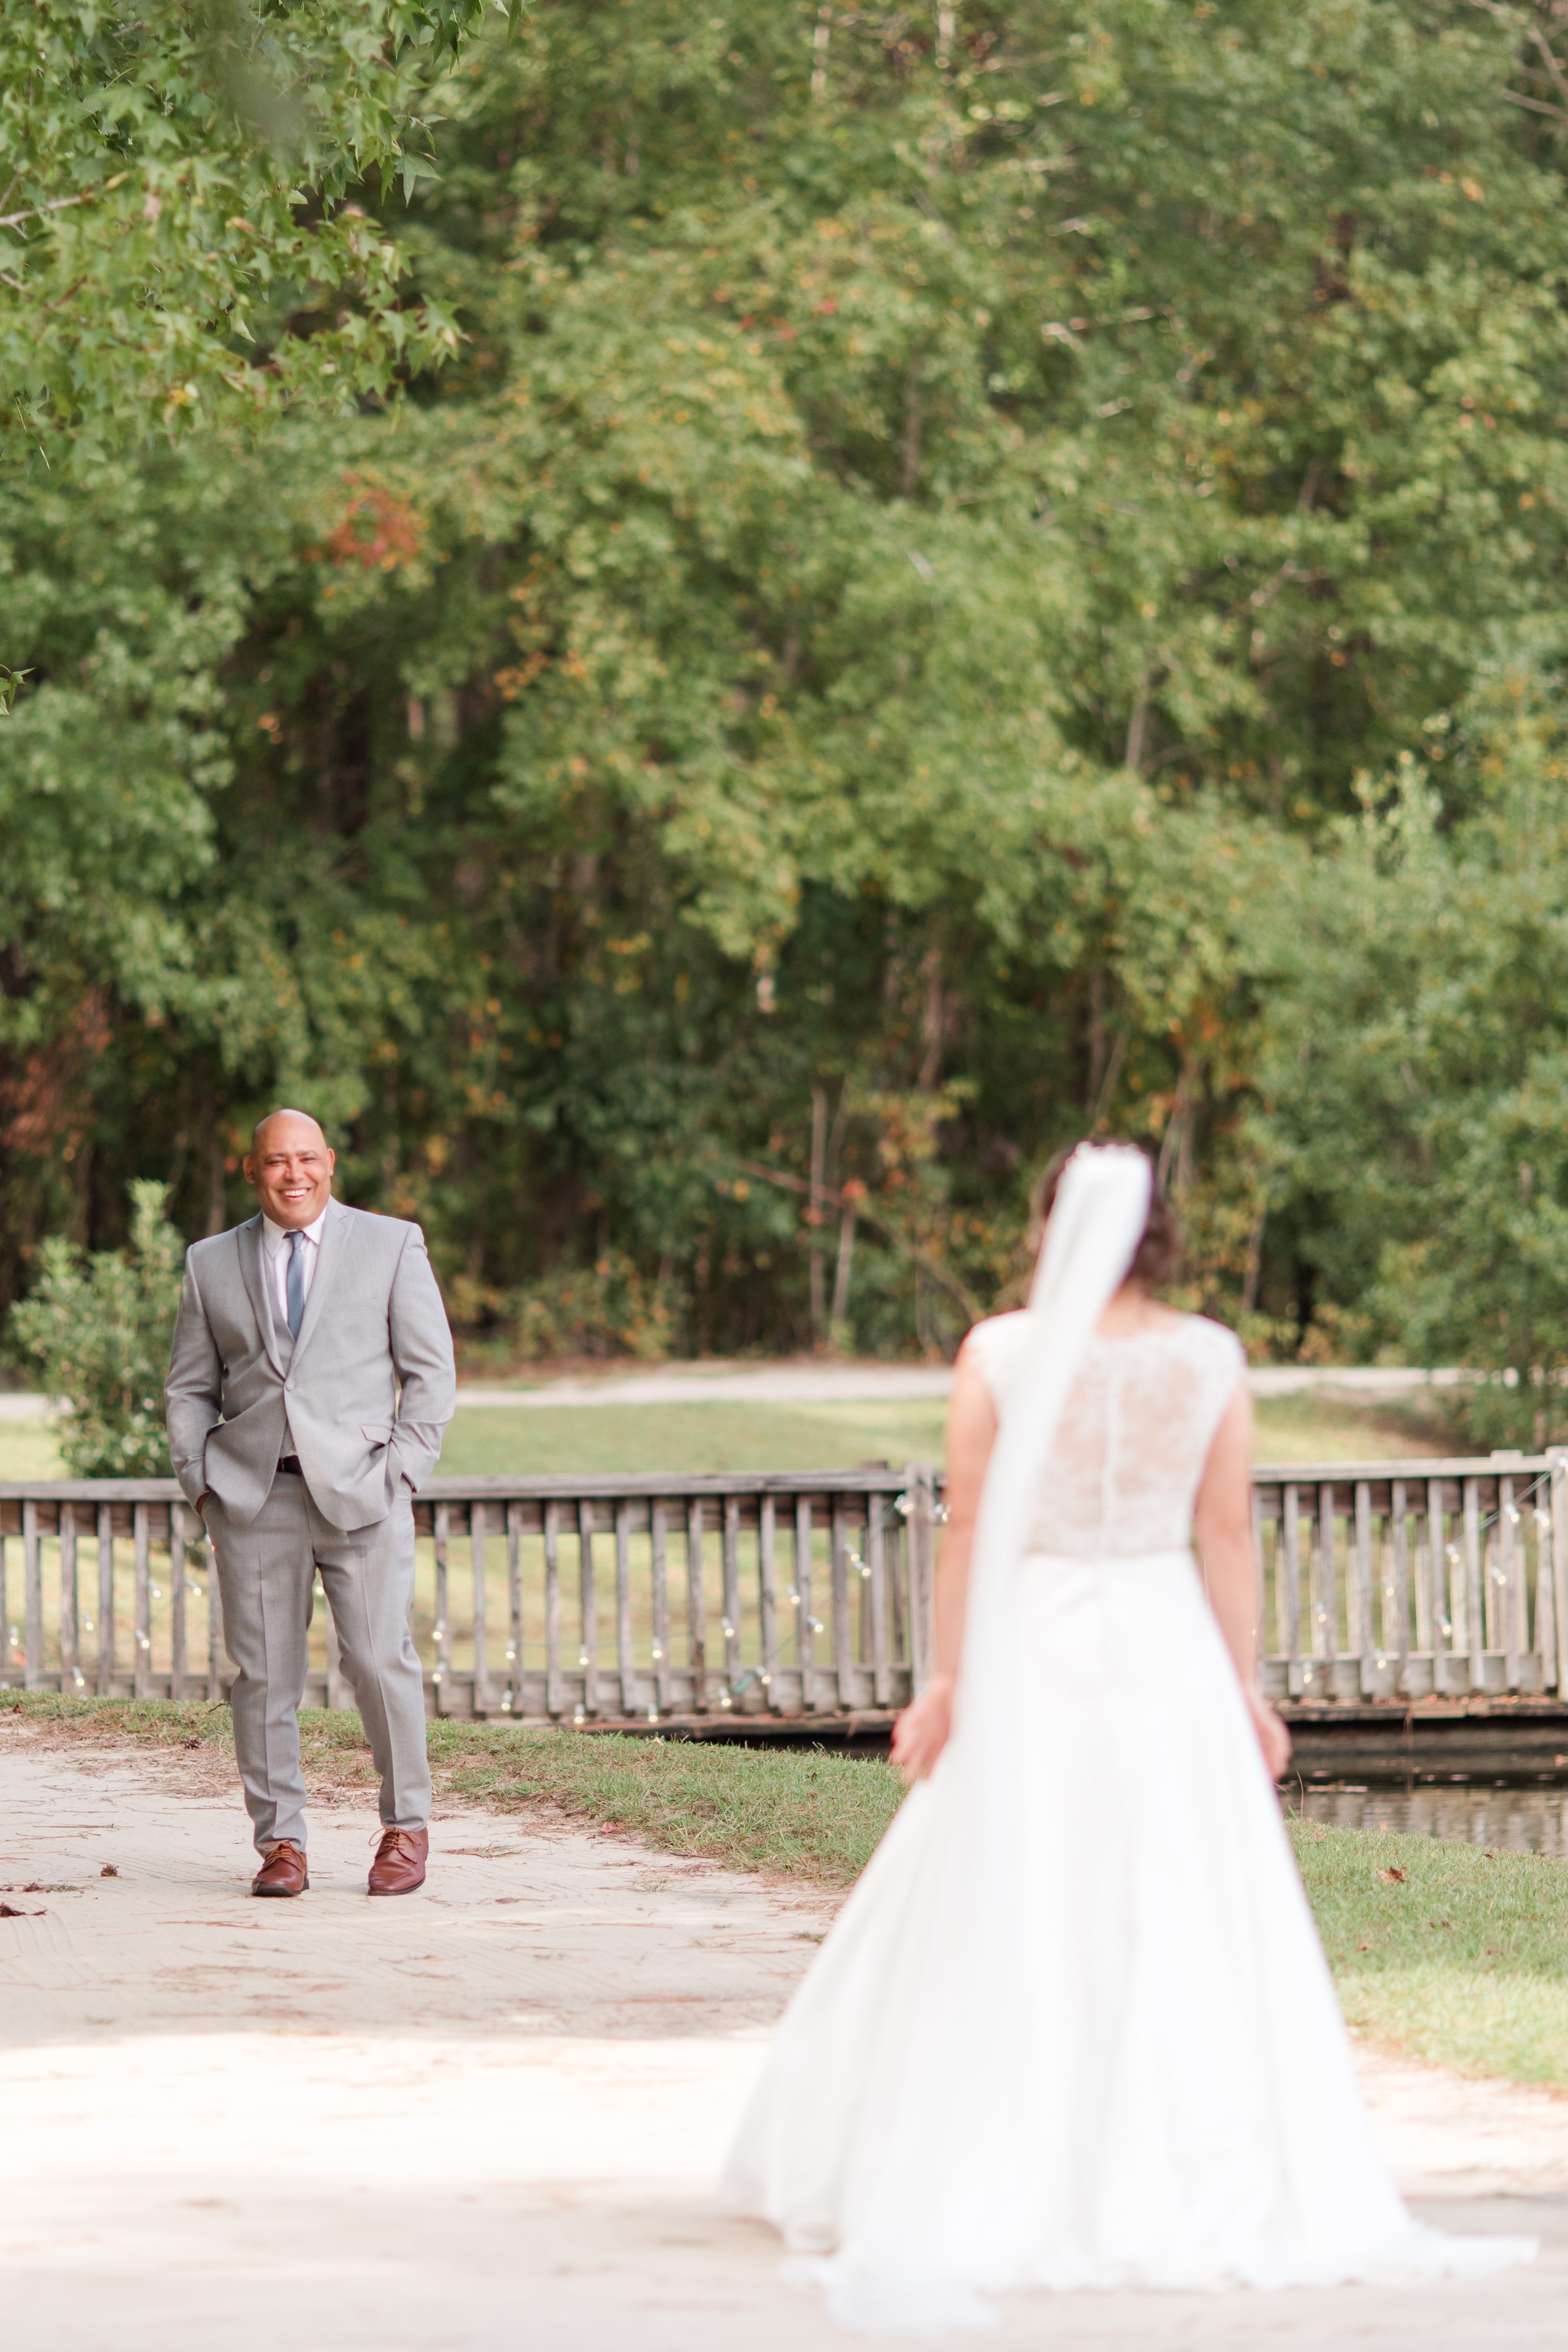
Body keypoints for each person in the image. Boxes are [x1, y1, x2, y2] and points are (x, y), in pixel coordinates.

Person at [723, 1142, 1533, 2331]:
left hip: (1036, 1637)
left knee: (1020, 1871)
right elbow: (1226, 1534)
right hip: (1163, 1643)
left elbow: (966, 1528)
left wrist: (945, 1680)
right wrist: (1246, 1688)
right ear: (1162, 1234)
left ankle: (984, 2149)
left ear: (1052, 1227)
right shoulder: (1208, 1358)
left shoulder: (1000, 1352)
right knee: (1178, 1880)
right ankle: (1192, 2158)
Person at [164, 1109, 455, 1899]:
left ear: (328, 1162)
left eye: (305, 1159)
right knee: (264, 1678)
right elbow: (189, 1387)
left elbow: (431, 1374)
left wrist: (403, 1473)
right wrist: (202, 1483)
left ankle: (406, 1828)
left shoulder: (392, 1244)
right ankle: (281, 1844)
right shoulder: (209, 1262)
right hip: (253, 1497)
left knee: (379, 1662)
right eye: (275, 1162)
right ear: (251, 1171)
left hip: (365, 1493)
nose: (293, 1175)